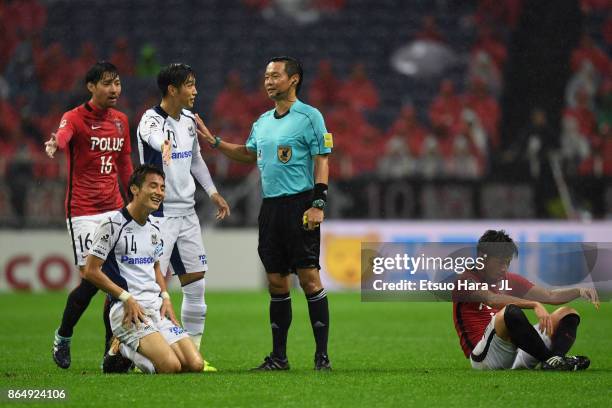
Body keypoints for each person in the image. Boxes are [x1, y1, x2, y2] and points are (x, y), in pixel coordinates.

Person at [195, 56, 333, 370]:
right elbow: (248, 153)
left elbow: (322, 158)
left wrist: (318, 203)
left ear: (294, 79)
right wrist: (214, 142)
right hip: (270, 208)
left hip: (300, 205)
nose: (268, 81)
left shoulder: (310, 117)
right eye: (266, 76)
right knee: (276, 282)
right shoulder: (263, 121)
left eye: (275, 75)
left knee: (310, 280)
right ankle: (279, 358)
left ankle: (321, 357)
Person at [137, 63, 230, 371]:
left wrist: (213, 192)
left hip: (187, 213)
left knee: (196, 285)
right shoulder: (150, 120)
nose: (195, 91)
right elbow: (151, 138)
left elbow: (196, 160)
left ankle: (195, 355)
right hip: (158, 217)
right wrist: (161, 144)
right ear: (172, 90)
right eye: (190, 85)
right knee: (151, 292)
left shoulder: (190, 119)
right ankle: (140, 354)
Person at [45, 61, 133, 369]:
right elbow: (63, 135)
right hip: (83, 210)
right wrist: (56, 143)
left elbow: (124, 164)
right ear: (91, 86)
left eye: (117, 83)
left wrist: (134, 196)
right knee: (95, 279)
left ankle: (112, 352)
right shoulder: (74, 118)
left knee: (116, 280)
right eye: (107, 83)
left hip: (115, 207)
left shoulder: (121, 121)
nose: (114, 89)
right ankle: (64, 334)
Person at [84, 164, 203, 374]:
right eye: (153, 186)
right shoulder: (112, 224)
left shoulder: (155, 229)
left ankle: (130, 347)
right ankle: (121, 347)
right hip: (127, 310)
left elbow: (156, 266)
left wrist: (166, 297)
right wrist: (125, 298)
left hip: (155, 308)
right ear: (134, 189)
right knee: (171, 366)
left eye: (162, 188)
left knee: (195, 365)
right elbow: (91, 270)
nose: (159, 192)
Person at [452, 229, 600, 370]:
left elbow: (550, 296)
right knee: (509, 312)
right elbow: (491, 299)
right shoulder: (466, 280)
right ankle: (549, 359)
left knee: (567, 314)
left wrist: (580, 291)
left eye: (507, 263)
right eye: (499, 262)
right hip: (485, 358)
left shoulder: (508, 280)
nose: (504, 268)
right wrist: (533, 304)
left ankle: (556, 359)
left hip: (517, 351)